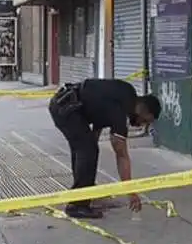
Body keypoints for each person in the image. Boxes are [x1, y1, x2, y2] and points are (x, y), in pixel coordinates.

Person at [48, 78, 162, 219]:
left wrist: (88, 175)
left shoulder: (124, 94)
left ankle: (83, 193)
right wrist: (131, 192)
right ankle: (77, 205)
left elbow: (97, 123)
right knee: (87, 149)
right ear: (142, 109)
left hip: (65, 104)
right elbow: (121, 154)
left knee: (85, 149)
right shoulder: (122, 109)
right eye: (145, 120)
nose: (142, 125)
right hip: (67, 108)